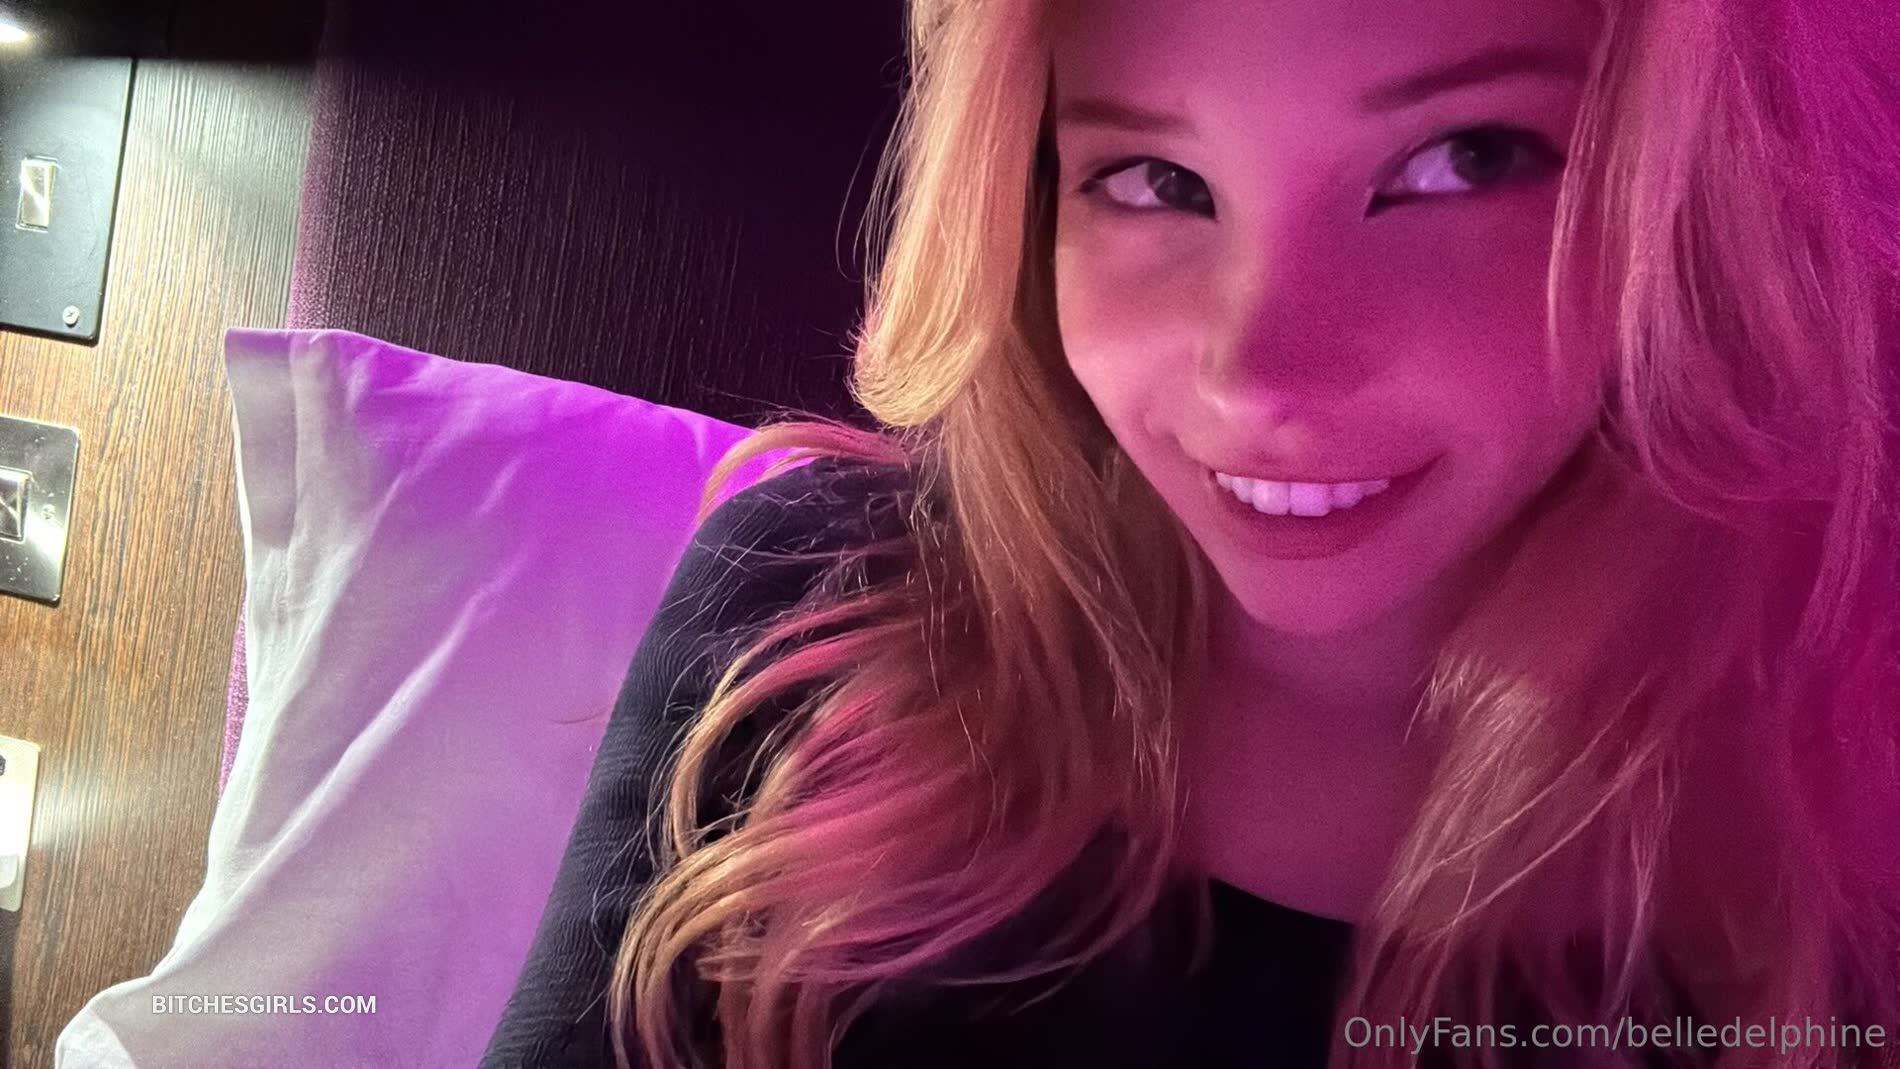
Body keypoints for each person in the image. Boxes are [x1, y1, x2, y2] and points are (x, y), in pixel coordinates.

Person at [483, 0, 1900, 1064]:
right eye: (1155, 180)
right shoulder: (815, 605)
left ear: (1702, 190)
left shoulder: (1847, 792)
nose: (1259, 377)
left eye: (1465, 158)